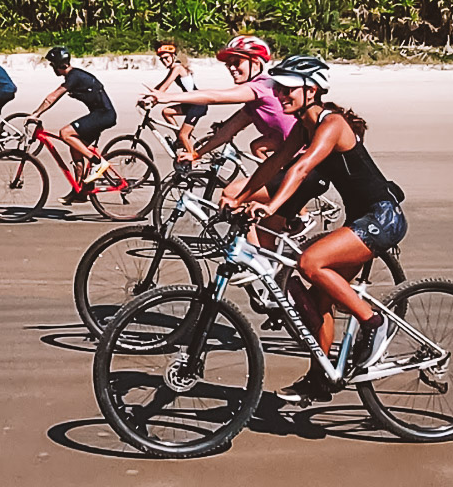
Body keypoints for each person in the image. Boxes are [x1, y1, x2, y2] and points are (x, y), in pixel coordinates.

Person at [225, 55, 408, 406]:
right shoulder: (303, 126)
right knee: (319, 301)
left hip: (383, 217)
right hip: (361, 220)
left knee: (311, 263)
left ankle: (373, 324)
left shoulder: (332, 124)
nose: (279, 95)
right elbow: (274, 164)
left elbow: (303, 167)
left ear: (312, 89)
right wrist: (242, 198)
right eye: (277, 88)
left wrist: (271, 207)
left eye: (287, 89)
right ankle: (321, 378)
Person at [144, 34, 293, 163]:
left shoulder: (260, 87)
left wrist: (168, 97)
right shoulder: (253, 101)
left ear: (255, 63)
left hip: (300, 153)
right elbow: (227, 132)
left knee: (231, 195)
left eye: (236, 63)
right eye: (229, 65)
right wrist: (197, 154)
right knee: (256, 147)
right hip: (285, 145)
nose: (231, 68)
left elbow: (215, 97)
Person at [29, 46, 118, 201]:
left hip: (104, 115)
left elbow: (53, 97)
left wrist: (36, 113)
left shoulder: (74, 76)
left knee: (65, 133)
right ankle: (81, 190)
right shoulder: (74, 76)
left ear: (59, 65)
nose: (51, 67)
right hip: (100, 114)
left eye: (52, 64)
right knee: (75, 149)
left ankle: (97, 162)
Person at [150, 42, 208, 156]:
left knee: (183, 135)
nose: (164, 61)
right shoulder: (173, 68)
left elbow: (165, 86)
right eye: (162, 59)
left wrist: (153, 100)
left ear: (173, 56)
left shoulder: (178, 68)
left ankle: (193, 160)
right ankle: (180, 139)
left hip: (198, 104)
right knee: (166, 112)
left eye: (166, 58)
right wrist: (149, 95)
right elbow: (161, 85)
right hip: (190, 102)